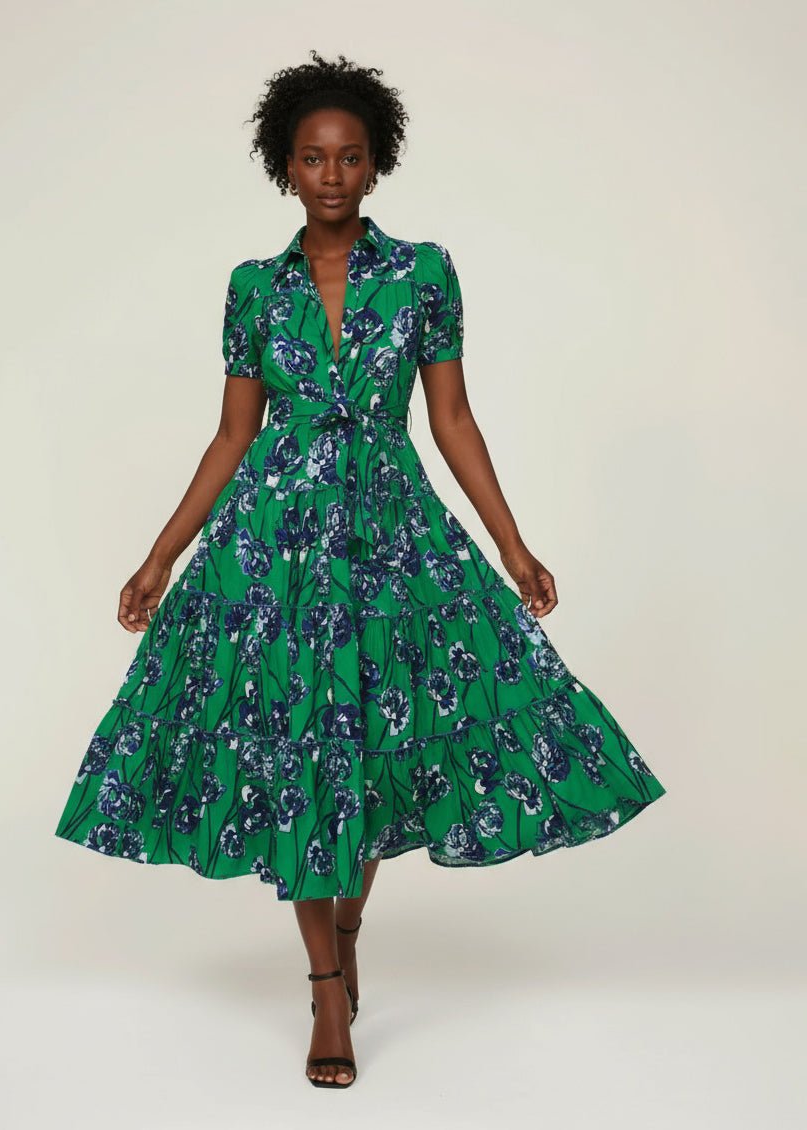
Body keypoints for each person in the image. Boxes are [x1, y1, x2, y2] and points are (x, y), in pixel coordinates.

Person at [54, 49, 667, 1090]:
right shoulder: (253, 288)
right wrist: (161, 555)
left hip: (391, 543)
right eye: (311, 157)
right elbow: (233, 436)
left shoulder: (423, 273)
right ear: (283, 166)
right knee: (302, 750)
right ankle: (327, 986)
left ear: (377, 164)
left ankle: (347, 926)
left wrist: (512, 542)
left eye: (349, 156)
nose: (330, 174)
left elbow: (453, 418)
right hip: (276, 555)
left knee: (372, 747)